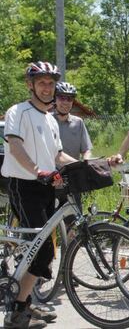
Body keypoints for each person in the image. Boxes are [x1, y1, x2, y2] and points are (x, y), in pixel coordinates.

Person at [1, 61, 78, 328]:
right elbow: (14, 145)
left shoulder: (50, 118)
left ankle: (25, 305)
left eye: (51, 83)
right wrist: (37, 171)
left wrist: (93, 164)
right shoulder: (19, 111)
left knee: (41, 251)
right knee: (41, 250)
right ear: (31, 85)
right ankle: (18, 312)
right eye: (42, 82)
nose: (48, 88)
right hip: (24, 185)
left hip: (46, 186)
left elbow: (57, 156)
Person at [52, 81, 92, 217]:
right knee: (48, 221)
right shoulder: (47, 121)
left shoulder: (78, 122)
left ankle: (69, 238)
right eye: (61, 97)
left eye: (69, 99)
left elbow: (86, 149)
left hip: (72, 178)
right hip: (51, 178)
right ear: (55, 99)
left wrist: (86, 163)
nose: (65, 102)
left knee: (74, 220)